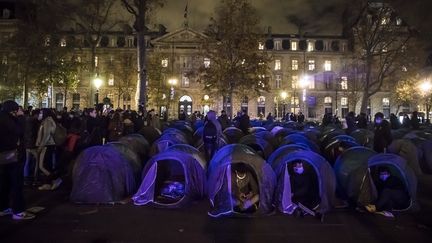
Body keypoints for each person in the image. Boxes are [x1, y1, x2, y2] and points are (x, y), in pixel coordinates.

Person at [0, 100, 35, 220]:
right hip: (12, 155)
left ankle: (3, 207)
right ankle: (18, 210)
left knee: (5, 183)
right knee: (16, 183)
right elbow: (19, 131)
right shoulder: (8, 119)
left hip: (3, 156)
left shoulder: (3, 117)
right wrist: (20, 118)